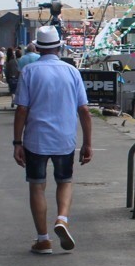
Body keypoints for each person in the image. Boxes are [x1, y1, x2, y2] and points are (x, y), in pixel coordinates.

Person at [13, 25, 92, 254]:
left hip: (35, 139)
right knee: (65, 181)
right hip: (64, 138)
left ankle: (43, 239)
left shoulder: (29, 72)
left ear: (37, 48)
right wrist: (87, 142)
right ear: (59, 46)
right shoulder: (72, 72)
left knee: (37, 187)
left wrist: (17, 143)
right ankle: (62, 219)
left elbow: (21, 110)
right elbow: (84, 111)